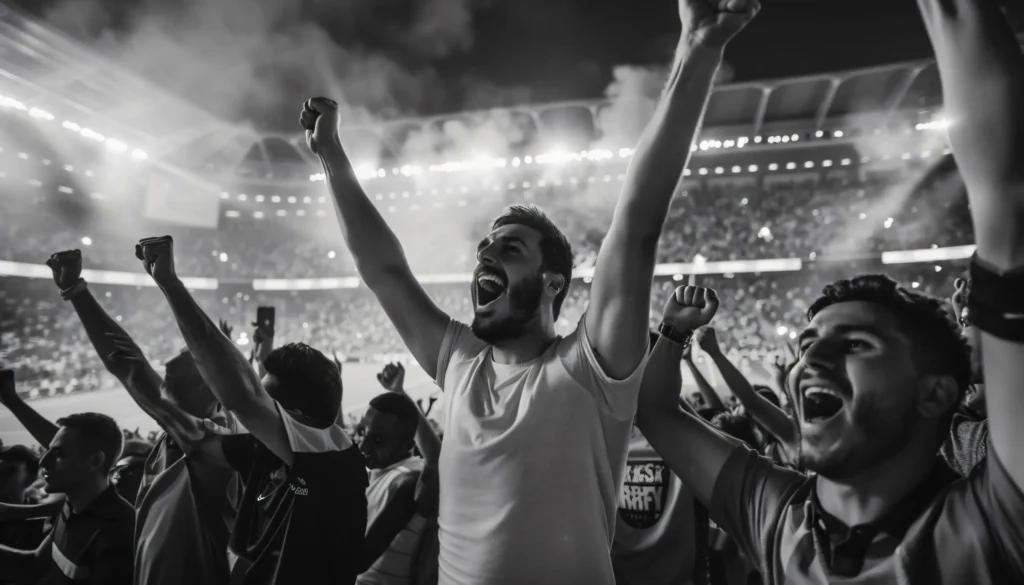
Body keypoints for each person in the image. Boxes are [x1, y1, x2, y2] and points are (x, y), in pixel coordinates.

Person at [300, 1, 758, 580]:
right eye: (485, 249)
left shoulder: (593, 370)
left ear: (553, 283)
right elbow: (383, 268)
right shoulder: (460, 361)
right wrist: (332, 157)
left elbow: (636, 227)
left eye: (509, 249)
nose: (486, 256)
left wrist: (698, 49)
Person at [640, 274, 1024, 582]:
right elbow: (656, 411)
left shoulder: (991, 522)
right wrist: (673, 332)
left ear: (935, 393)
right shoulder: (775, 515)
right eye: (808, 344)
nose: (811, 359)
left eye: (857, 344)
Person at [135, 236, 368, 585]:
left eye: (270, 404)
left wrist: (170, 284)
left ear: (299, 416)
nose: (259, 413)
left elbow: (242, 397)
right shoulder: (271, 456)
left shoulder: (332, 464)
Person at [46, 248, 239, 585]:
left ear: (212, 383)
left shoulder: (212, 440)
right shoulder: (177, 440)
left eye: (187, 357)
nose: (169, 364)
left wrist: (77, 290)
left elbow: (128, 365)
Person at [0, 413, 134, 585]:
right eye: (49, 451)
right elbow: (35, 565)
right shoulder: (72, 507)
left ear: (95, 460)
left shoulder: (115, 536)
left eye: (59, 453)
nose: (43, 462)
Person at [355, 377, 439, 585]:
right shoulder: (376, 472)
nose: (363, 447)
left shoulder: (407, 482)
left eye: (377, 440)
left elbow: (358, 560)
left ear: (407, 445)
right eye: (361, 433)